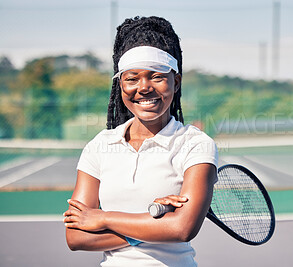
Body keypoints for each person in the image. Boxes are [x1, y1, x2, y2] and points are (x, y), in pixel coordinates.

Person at [63, 16, 218, 266]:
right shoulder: (99, 145)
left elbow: (182, 229)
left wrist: (103, 218)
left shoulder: (196, 144)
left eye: (156, 77)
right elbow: (76, 236)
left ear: (175, 82)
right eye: (132, 78)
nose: (143, 88)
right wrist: (154, 221)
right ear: (120, 85)